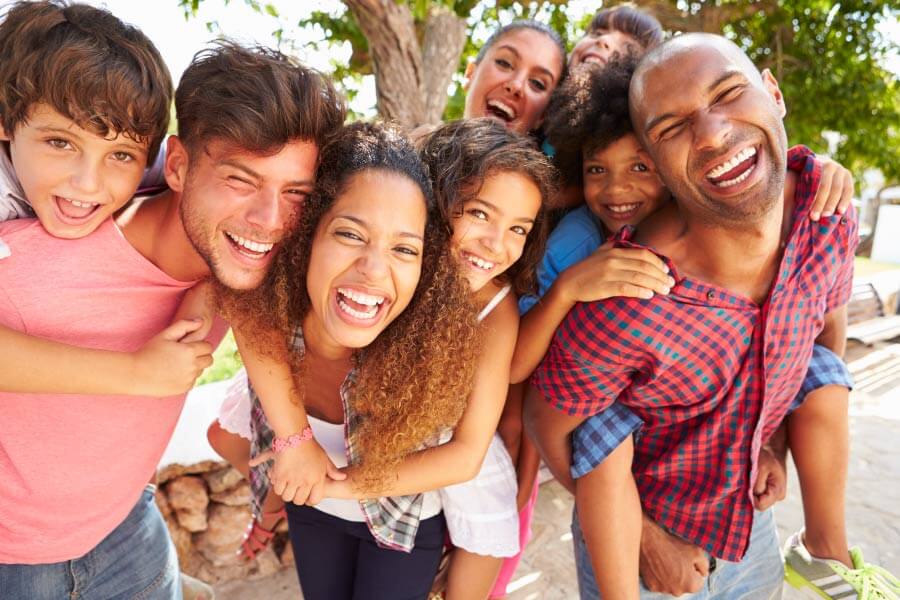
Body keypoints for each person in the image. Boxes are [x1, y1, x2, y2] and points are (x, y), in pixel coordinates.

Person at [0, 39, 344, 598]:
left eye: (295, 193)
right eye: (241, 179)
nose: (269, 220)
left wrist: (293, 437)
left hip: (129, 533)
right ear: (178, 165)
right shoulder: (25, 261)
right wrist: (137, 372)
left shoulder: (237, 265)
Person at [525, 33, 862, 599]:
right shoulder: (626, 295)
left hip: (748, 527)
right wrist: (646, 540)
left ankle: (828, 549)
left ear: (773, 93)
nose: (711, 133)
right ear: (660, 160)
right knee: (602, 430)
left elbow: (822, 334)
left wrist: (774, 443)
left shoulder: (826, 215)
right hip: (640, 540)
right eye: (672, 128)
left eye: (729, 92)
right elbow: (546, 420)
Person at [212, 121, 480, 599]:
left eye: (404, 248)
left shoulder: (428, 351)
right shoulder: (269, 330)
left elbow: (463, 460)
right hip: (313, 517)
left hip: (401, 528)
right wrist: (274, 506)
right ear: (307, 236)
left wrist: (324, 485)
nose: (374, 268)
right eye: (351, 234)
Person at [416, 118, 556, 600]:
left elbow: (471, 449)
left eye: (518, 228)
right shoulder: (392, 271)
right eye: (479, 213)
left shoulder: (497, 306)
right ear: (437, 199)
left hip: (464, 466)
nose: (498, 245)